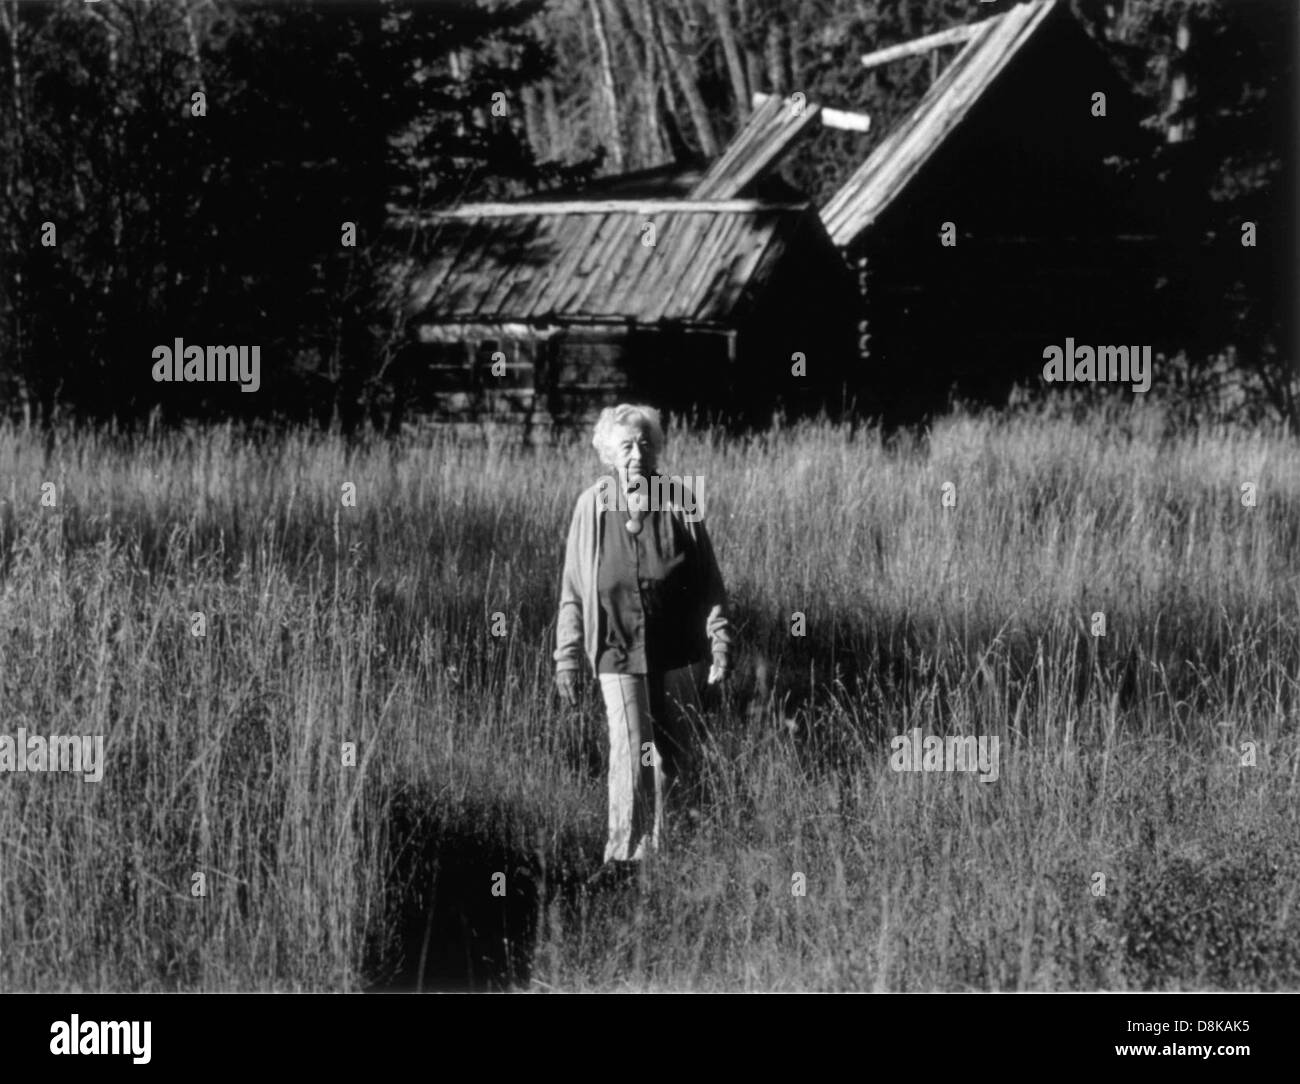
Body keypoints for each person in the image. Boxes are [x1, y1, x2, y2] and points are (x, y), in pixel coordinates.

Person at [554, 403, 733, 864]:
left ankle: (666, 852)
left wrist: (720, 640)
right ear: (608, 454)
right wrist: (567, 658)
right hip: (617, 646)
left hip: (676, 648)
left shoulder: (678, 499)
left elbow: (709, 581)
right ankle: (621, 855)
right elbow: (573, 588)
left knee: (673, 751)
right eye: (627, 446)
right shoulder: (592, 504)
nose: (637, 453)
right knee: (633, 749)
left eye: (646, 443)